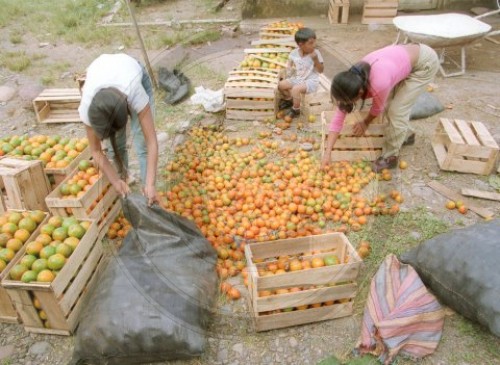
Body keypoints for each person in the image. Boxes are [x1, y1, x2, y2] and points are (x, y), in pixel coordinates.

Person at [321, 43, 439, 172]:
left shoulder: (379, 83)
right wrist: (327, 153)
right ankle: (407, 135)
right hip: (399, 61)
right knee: (390, 105)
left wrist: (365, 123)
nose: (345, 104)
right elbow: (338, 119)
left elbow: (377, 109)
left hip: (424, 63)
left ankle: (391, 157)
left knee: (396, 111)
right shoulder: (352, 79)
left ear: (360, 92)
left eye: (349, 101)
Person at [78, 53, 159, 206]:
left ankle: (147, 194)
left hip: (132, 72)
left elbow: (152, 143)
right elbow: (96, 151)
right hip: (103, 71)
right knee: (116, 146)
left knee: (142, 142)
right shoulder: (87, 109)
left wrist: (151, 184)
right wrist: (116, 181)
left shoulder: (135, 91)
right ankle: (124, 180)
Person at [278, 27, 324, 118]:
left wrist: (315, 60)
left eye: (314, 42)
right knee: (281, 85)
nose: (314, 45)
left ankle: (296, 109)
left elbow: (321, 70)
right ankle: (291, 100)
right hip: (298, 78)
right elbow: (290, 64)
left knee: (295, 89)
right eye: (310, 43)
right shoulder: (294, 53)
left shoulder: (316, 53)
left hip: (311, 81)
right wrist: (288, 72)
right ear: (300, 44)